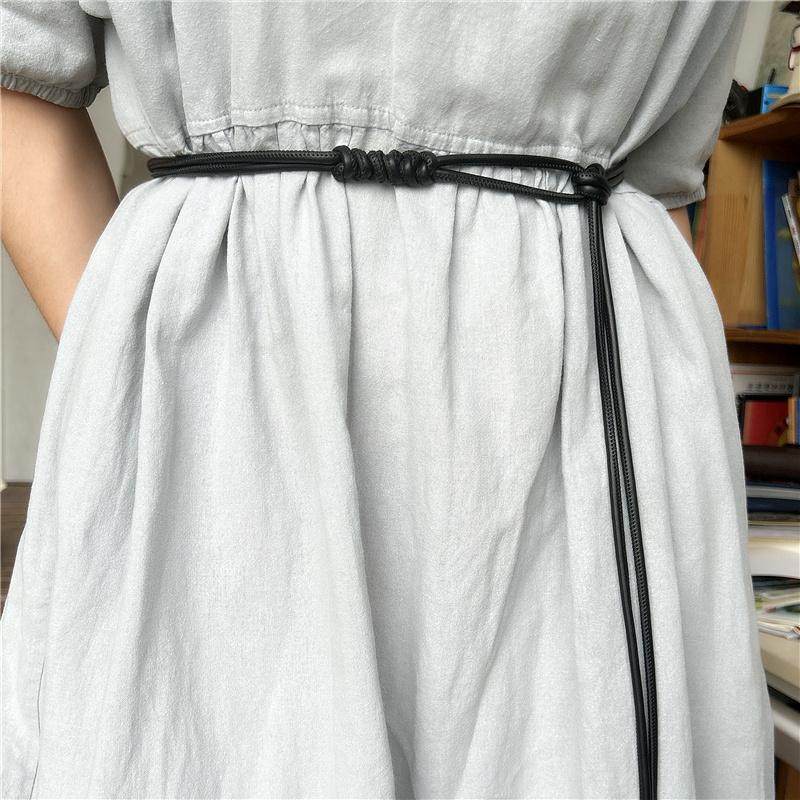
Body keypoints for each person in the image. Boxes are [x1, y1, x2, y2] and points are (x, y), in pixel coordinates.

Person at [1, 2, 774, 798]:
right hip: (218, 401)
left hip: (579, 406)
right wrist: (137, 362)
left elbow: (661, 172)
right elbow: (18, 66)